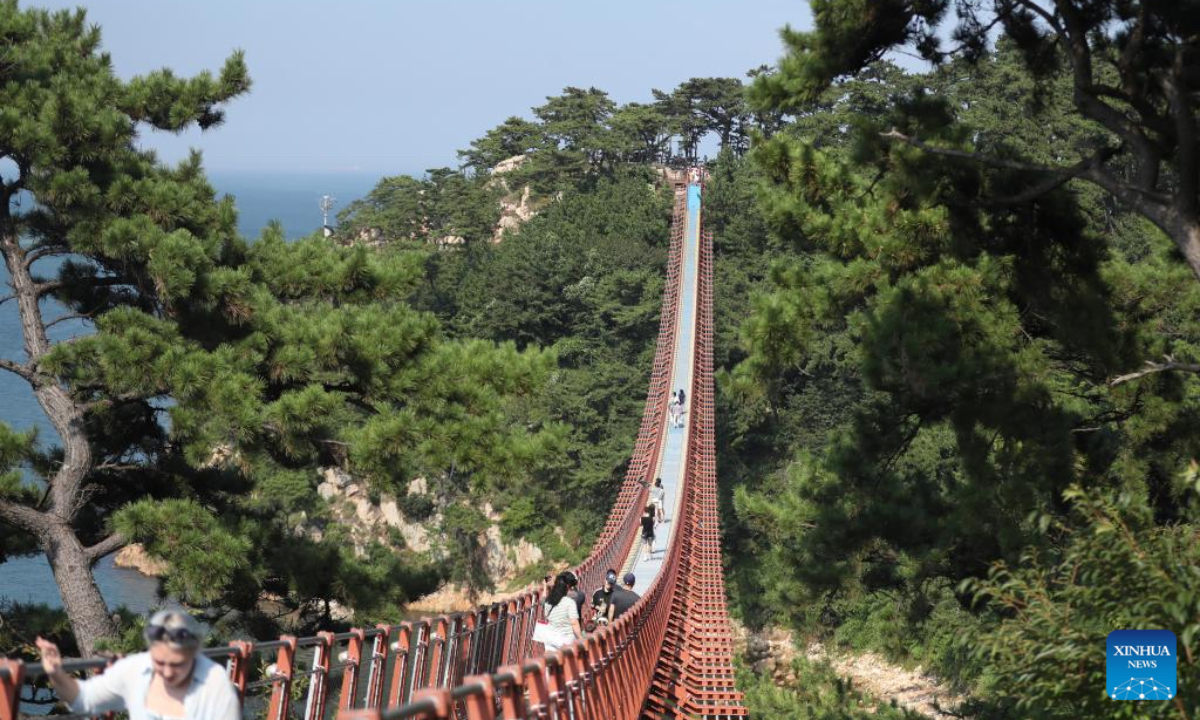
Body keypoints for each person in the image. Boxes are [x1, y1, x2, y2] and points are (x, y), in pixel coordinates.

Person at [35, 609, 240, 720]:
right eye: (160, 662)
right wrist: (56, 672)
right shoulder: (135, 669)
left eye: (177, 664)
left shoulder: (215, 681)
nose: (167, 672)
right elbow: (85, 700)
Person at [542, 571, 584, 651]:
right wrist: (581, 639)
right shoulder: (570, 602)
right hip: (565, 641)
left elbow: (546, 615)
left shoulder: (548, 601)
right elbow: (574, 623)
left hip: (550, 641)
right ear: (568, 587)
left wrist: (546, 586)